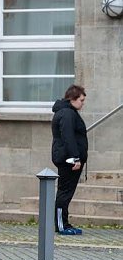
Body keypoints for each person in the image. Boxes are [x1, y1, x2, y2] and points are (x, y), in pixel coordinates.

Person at [51, 85, 88, 236]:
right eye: (81, 100)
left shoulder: (69, 112)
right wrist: (75, 158)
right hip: (68, 159)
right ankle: (61, 225)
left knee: (66, 192)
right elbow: (68, 137)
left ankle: (64, 223)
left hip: (69, 158)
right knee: (64, 193)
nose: (82, 103)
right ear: (72, 99)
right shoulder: (67, 113)